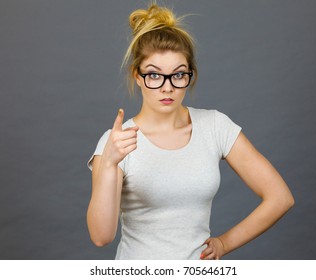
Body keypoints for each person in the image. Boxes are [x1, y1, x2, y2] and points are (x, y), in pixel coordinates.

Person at [86, 2, 294, 260]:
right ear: (137, 76)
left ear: (189, 76)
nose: (167, 87)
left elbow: (280, 197)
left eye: (178, 74)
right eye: (154, 75)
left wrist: (224, 243)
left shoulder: (215, 126)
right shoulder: (116, 142)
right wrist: (109, 163)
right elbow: (101, 236)